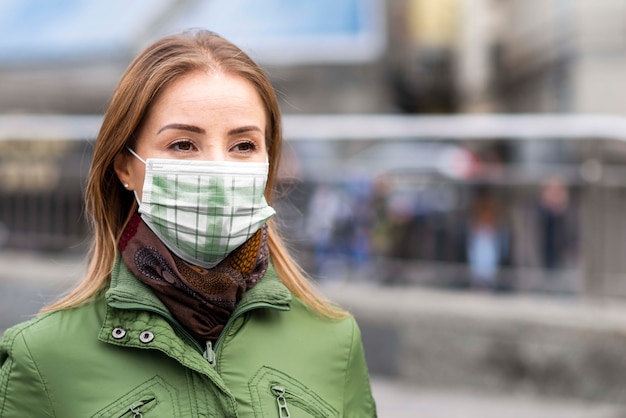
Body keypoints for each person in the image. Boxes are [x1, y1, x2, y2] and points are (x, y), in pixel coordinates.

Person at [0, 30, 377, 417]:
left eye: (243, 145)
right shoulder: (42, 360)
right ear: (126, 167)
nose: (216, 169)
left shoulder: (334, 340)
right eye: (183, 144)